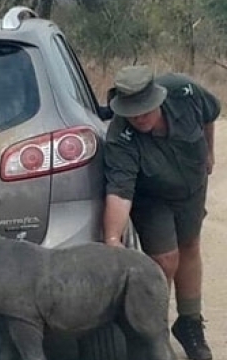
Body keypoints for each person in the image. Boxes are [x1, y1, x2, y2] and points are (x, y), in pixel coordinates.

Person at [102, 65, 220, 360]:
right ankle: (154, 332)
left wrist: (209, 151)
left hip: (191, 186)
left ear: (157, 98)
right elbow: (119, 191)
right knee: (165, 260)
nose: (139, 117)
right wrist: (113, 241)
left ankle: (190, 324)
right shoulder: (121, 135)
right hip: (151, 196)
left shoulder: (184, 91)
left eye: (144, 109)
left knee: (189, 246)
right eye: (132, 111)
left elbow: (209, 116)